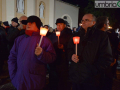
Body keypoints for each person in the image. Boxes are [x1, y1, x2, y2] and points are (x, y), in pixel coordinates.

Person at [8, 15, 56, 90]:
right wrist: (13, 74)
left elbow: (52, 58)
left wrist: (42, 54)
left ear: (37, 25)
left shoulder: (45, 41)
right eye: (27, 23)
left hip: (35, 82)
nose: (28, 24)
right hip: (19, 80)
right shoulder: (19, 39)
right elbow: (12, 57)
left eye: (31, 23)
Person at [68, 14, 113, 90]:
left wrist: (94, 70)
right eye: (82, 20)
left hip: (92, 78)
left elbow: (106, 57)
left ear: (93, 22)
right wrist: (71, 56)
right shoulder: (76, 35)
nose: (83, 22)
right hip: (76, 76)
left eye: (86, 20)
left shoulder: (101, 36)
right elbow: (69, 49)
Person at [48, 18, 72, 90]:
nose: (58, 26)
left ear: (64, 25)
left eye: (60, 25)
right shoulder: (53, 35)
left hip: (63, 59)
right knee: (53, 76)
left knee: (62, 77)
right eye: (57, 25)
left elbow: (71, 46)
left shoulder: (68, 34)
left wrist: (64, 47)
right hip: (54, 58)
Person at [96, 16, 119, 90]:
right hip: (105, 66)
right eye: (108, 23)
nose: (109, 25)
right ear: (104, 25)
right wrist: (112, 59)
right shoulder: (106, 36)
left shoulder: (92, 35)